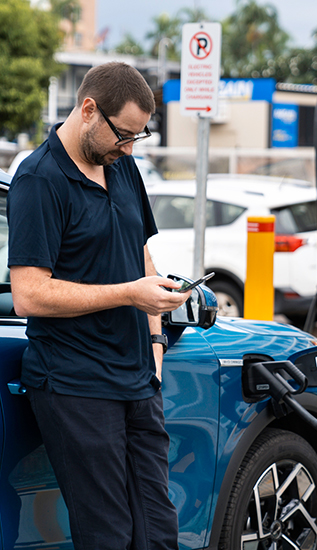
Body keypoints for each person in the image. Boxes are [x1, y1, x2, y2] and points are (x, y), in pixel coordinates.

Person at [7, 62, 189, 550]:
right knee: (108, 536)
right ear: (89, 110)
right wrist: (129, 293)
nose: (129, 148)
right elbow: (28, 293)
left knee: (158, 532)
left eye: (137, 137)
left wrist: (155, 335)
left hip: (137, 377)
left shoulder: (121, 164)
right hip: (75, 384)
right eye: (123, 135)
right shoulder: (39, 179)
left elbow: (140, 255)